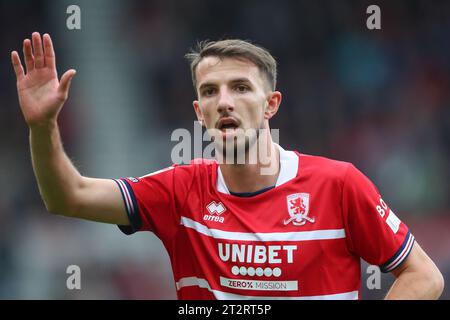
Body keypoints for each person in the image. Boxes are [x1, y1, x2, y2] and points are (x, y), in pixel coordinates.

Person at [11, 32, 444, 300]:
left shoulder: (339, 184)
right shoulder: (181, 190)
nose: (225, 101)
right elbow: (67, 196)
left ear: (271, 104)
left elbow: (423, 276)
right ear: (200, 113)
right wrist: (43, 125)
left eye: (240, 87)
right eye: (211, 91)